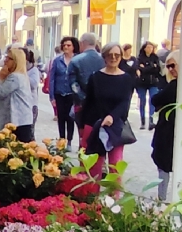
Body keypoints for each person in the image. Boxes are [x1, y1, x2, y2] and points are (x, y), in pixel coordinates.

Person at [79, 42, 136, 179]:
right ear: (104, 57)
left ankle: (114, 197)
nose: (113, 58)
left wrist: (112, 116)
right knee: (94, 167)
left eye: (117, 55)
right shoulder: (95, 77)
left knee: (115, 166)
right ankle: (93, 197)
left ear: (121, 57)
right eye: (110, 55)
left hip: (115, 125)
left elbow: (125, 102)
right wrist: (82, 125)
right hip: (95, 124)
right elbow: (88, 102)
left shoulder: (126, 79)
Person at [150, 54, 181, 200]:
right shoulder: (177, 83)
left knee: (164, 165)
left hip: (170, 130)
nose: (170, 69)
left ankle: (162, 199)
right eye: (168, 66)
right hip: (169, 129)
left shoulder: (177, 85)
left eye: (173, 65)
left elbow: (157, 99)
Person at [0, 47, 35, 143]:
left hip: (18, 121)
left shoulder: (15, 77)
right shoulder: (21, 75)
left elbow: (0, 92)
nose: (5, 60)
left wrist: (0, 79)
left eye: (9, 58)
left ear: (16, 61)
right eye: (6, 57)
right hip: (23, 120)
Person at [48, 37, 78, 143]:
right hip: (59, 93)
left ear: (73, 47)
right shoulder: (57, 61)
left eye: (68, 45)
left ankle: (69, 140)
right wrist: (51, 96)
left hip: (72, 94)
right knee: (61, 118)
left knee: (70, 118)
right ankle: (62, 140)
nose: (66, 47)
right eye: (64, 45)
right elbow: (51, 79)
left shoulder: (77, 60)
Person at [70, 32, 104, 120]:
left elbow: (73, 84)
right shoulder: (104, 59)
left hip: (82, 105)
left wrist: (83, 99)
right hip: (101, 103)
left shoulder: (75, 61)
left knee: (84, 131)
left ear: (82, 43)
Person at [134, 41, 164, 129]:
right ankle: (143, 121)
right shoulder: (139, 58)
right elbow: (139, 68)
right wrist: (151, 67)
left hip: (153, 82)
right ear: (144, 48)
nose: (150, 49)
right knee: (142, 101)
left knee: (153, 99)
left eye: (151, 48)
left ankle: (151, 120)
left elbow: (157, 69)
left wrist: (146, 67)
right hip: (141, 82)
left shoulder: (155, 57)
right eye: (148, 47)